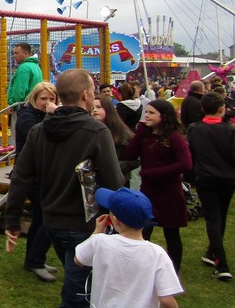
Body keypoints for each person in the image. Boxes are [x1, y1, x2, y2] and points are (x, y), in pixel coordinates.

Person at [5, 69, 124, 308]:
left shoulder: (39, 131)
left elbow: (20, 176)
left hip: (54, 224)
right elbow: (115, 182)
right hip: (85, 228)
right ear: (86, 95)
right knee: (75, 303)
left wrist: (13, 219)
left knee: (83, 290)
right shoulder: (94, 133)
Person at [75, 187, 200, 308]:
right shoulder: (157, 254)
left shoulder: (101, 243)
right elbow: (166, 299)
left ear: (114, 220)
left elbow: (79, 259)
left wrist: (96, 233)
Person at [123, 99, 191, 273]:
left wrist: (153, 172)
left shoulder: (174, 137)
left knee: (171, 233)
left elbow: (185, 164)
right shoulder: (145, 135)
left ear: (163, 115)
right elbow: (129, 154)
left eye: (152, 113)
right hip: (148, 192)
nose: (147, 116)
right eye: (146, 112)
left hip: (169, 192)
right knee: (143, 231)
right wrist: (139, 134)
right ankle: (141, 267)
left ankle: (173, 271)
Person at [186, 92, 235, 280]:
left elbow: (192, 153)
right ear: (222, 109)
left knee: (214, 217)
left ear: (202, 109)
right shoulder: (230, 130)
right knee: (219, 216)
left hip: (206, 177)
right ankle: (217, 257)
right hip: (226, 178)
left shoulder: (194, 129)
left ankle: (217, 257)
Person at [13, 81, 59, 282]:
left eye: (51, 99)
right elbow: (41, 137)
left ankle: (34, 258)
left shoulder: (42, 116)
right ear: (34, 98)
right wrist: (52, 115)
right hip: (29, 175)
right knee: (48, 217)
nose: (47, 103)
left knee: (41, 217)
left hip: (43, 173)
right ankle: (35, 259)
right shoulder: (26, 116)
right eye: (43, 99)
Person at [92, 95, 139, 188]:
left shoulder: (123, 133)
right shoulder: (90, 131)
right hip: (98, 183)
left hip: (119, 182)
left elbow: (135, 160)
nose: (94, 110)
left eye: (98, 107)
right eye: (92, 108)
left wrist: (115, 167)